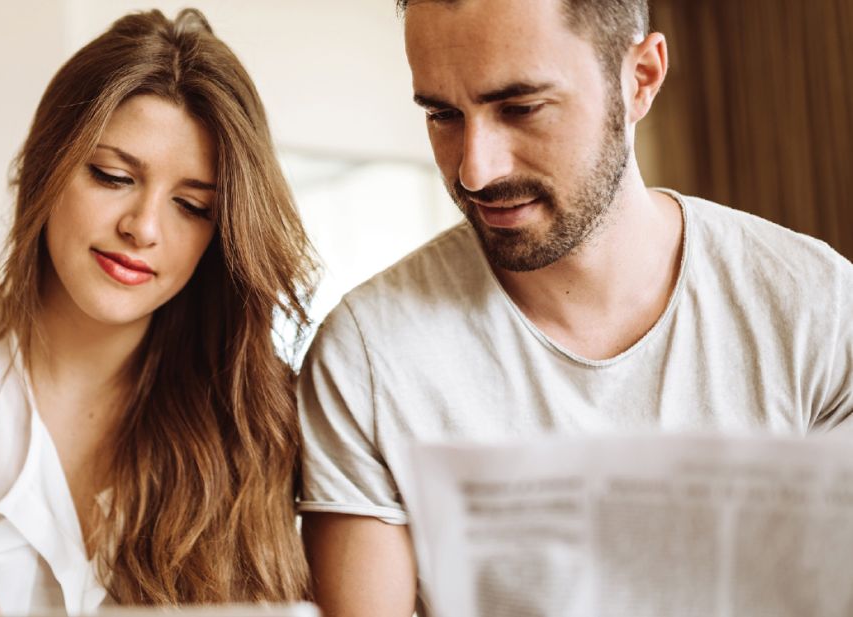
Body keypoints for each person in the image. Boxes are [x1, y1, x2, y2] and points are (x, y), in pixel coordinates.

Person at [297, 0, 853, 614]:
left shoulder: (816, 308)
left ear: (640, 78)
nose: (476, 170)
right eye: (443, 114)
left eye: (522, 108)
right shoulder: (368, 356)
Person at [0, 8, 316, 616]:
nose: (143, 228)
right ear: (48, 164)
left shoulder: (261, 423)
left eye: (191, 206)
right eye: (112, 175)